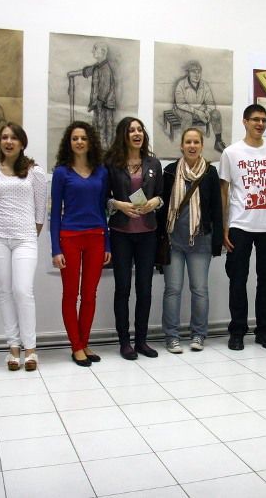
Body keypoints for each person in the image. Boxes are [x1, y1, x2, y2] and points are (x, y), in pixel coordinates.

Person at [220, 104, 266, 351]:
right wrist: (224, 227)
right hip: (240, 225)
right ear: (245, 122)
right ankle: (237, 331)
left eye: (263, 120)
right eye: (255, 119)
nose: (260, 124)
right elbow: (224, 192)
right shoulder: (231, 153)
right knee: (237, 280)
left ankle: (264, 331)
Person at [0, 123, 46, 372]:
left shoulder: (35, 172)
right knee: (5, 292)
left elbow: (40, 212)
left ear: (22, 143)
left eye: (13, 138)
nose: (8, 142)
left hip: (25, 239)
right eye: (4, 137)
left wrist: (30, 235)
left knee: (22, 291)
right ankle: (13, 348)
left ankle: (30, 349)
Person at [51, 121, 111, 366]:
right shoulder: (61, 173)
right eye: (75, 138)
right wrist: (55, 249)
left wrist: (107, 244)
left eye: (83, 138)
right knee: (70, 294)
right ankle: (76, 346)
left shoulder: (101, 172)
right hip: (70, 238)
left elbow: (103, 209)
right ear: (69, 142)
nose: (79, 142)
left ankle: (84, 342)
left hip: (96, 237)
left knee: (89, 295)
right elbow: (55, 213)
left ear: (90, 142)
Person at [158, 127, 223, 353]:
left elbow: (217, 208)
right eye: (188, 142)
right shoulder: (170, 171)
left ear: (202, 146)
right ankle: (171, 336)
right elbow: (162, 206)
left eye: (196, 142)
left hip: (201, 241)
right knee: (172, 290)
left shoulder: (210, 173)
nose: (192, 146)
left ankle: (198, 334)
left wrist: (218, 241)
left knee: (200, 290)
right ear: (182, 146)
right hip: (173, 241)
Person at [105, 117, 163, 360]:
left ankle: (141, 341)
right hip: (121, 234)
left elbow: (161, 195)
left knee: (145, 289)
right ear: (124, 135)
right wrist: (118, 204)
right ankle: (124, 342)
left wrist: (155, 201)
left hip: (147, 233)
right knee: (123, 288)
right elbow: (103, 198)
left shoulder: (153, 163)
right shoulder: (111, 163)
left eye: (140, 129)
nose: (137, 133)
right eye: (131, 130)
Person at [67, 43, 116, 148]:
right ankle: (99, 147)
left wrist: (98, 103)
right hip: (98, 104)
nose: (92, 51)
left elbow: (105, 89)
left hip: (104, 105)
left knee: (104, 128)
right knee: (97, 127)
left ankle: (105, 149)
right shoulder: (97, 67)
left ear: (103, 52)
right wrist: (72, 74)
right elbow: (86, 71)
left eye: (95, 49)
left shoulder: (106, 69)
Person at [174, 60, 226, 152]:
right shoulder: (181, 84)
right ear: (188, 73)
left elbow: (210, 102)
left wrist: (207, 111)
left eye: (199, 72)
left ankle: (218, 142)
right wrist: (197, 112)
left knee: (216, 113)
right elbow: (180, 104)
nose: (197, 75)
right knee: (187, 117)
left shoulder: (204, 85)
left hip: (200, 109)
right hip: (182, 109)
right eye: (193, 72)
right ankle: (185, 144)